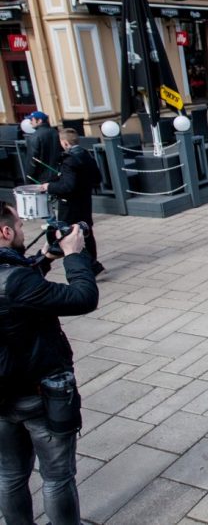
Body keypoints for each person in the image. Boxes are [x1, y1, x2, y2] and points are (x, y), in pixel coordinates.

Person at [0, 203, 98, 525]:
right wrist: (74, 255)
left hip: (2, 398)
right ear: (6, 231)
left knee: (11, 474)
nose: (24, 229)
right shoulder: (14, 282)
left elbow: (16, 292)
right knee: (56, 478)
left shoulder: (13, 277)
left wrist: (44, 259)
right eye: (20, 223)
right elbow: (83, 297)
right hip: (37, 394)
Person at [40, 128, 105, 276]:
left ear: (64, 143)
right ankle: (93, 265)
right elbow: (97, 178)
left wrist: (49, 186)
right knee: (86, 233)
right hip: (84, 201)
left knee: (67, 234)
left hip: (70, 205)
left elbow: (67, 186)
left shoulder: (69, 160)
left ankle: (90, 266)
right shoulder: (86, 155)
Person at [25, 110, 60, 184]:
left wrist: (28, 179)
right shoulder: (56, 132)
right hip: (58, 174)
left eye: (32, 120)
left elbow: (32, 161)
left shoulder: (34, 137)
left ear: (39, 121)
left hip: (42, 178)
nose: (30, 122)